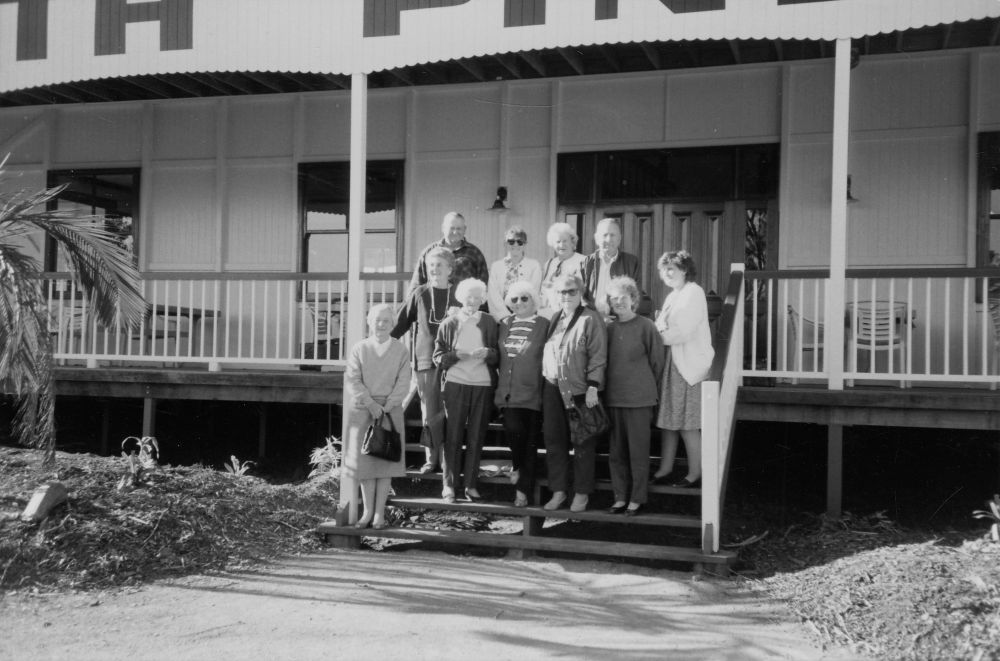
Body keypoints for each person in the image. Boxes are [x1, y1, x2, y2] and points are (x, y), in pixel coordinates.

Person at [541, 273, 607, 512]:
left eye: (572, 291)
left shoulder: (590, 318)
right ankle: (558, 491)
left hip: (580, 390)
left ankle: (581, 493)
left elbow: (598, 356)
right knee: (554, 441)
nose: (566, 296)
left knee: (583, 442)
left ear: (581, 293)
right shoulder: (555, 317)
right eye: (562, 292)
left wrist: (593, 386)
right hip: (552, 387)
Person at [391, 247, 459, 474]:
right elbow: (400, 323)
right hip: (425, 361)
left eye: (439, 265)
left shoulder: (460, 293)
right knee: (429, 412)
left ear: (450, 269)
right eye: (431, 265)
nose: (434, 269)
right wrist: (380, 344)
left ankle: (449, 460)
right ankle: (431, 459)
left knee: (451, 412)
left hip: (456, 362)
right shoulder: (420, 293)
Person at [343, 304, 411, 529]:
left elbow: (404, 381)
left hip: (390, 411)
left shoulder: (401, 350)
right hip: (364, 409)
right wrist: (371, 404)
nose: (381, 324)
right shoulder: (360, 348)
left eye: (386, 321)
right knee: (365, 465)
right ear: (369, 322)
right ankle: (367, 513)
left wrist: (388, 404)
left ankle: (379, 514)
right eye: (377, 320)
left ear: (393, 324)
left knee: (385, 464)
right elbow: (353, 379)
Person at [652, 250, 715, 488]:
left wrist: (655, 336)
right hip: (673, 364)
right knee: (669, 420)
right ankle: (665, 469)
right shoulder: (673, 295)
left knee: (688, 424)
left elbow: (683, 331)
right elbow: (662, 325)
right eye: (664, 269)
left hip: (688, 366)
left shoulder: (693, 292)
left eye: (672, 269)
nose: (667, 273)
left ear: (684, 270)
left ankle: (695, 473)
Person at [433, 278, 498, 503]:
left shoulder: (489, 321)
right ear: (461, 298)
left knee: (476, 437)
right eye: (469, 296)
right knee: (453, 436)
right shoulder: (449, 323)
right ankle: (449, 485)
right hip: (456, 383)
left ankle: (471, 485)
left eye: (477, 297)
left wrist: (488, 353)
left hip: (482, 384)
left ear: (483, 299)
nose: (473, 301)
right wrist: (454, 356)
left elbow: (498, 355)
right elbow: (438, 357)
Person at [604, 277, 664, 516]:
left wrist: (648, 390)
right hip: (614, 398)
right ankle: (620, 497)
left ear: (633, 300)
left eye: (623, 298)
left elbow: (657, 363)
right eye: (614, 298)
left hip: (640, 399)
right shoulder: (607, 328)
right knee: (616, 453)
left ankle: (637, 498)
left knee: (638, 452)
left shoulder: (646, 326)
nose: (618, 302)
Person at [494, 280, 549, 507]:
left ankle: (522, 492)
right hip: (507, 393)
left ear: (534, 301)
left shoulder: (544, 324)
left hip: (533, 393)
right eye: (514, 299)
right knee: (515, 432)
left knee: (529, 444)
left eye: (524, 298)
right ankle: (517, 469)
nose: (519, 302)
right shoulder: (504, 323)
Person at [581, 217, 651, 319]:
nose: (609, 239)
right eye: (605, 235)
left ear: (619, 239)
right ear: (596, 238)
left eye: (612, 235)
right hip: (592, 320)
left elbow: (636, 297)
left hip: (620, 321)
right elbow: (580, 297)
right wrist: (597, 316)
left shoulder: (632, 262)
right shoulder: (585, 263)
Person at [409, 211, 489, 292]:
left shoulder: (474, 253)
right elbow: (417, 284)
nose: (455, 232)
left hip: (464, 300)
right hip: (434, 299)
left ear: (465, 229)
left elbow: (483, 285)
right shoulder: (429, 252)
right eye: (452, 228)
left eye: (459, 229)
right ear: (443, 228)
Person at [487, 225, 542, 322]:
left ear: (525, 245)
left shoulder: (534, 266)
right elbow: (493, 295)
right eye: (511, 241)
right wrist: (505, 317)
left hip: (526, 317)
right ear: (505, 243)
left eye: (520, 242)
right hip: (502, 319)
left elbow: (533, 293)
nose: (515, 245)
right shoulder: (496, 266)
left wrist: (521, 317)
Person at [538, 222, 587, 319]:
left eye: (565, 241)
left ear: (572, 242)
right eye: (558, 241)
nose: (561, 245)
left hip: (574, 314)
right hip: (550, 315)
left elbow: (586, 292)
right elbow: (543, 292)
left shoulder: (584, 261)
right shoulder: (550, 263)